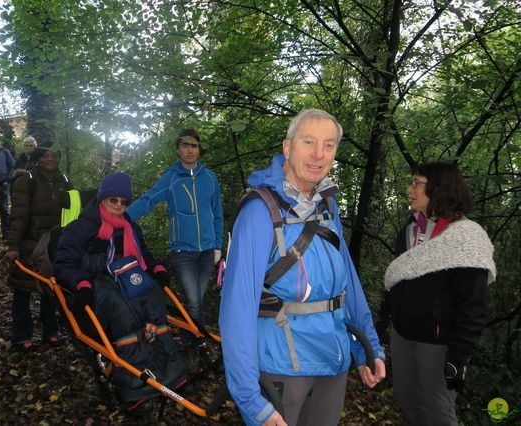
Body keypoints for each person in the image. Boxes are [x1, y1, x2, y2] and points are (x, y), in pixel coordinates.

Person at [219, 109, 386, 426]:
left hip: (333, 362)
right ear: (287, 147)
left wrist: (367, 347)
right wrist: (250, 399)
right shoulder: (259, 211)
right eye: (308, 141)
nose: (318, 154)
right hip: (283, 369)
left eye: (329, 144)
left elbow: (346, 279)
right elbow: (236, 309)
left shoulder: (327, 205)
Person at [53, 172, 186, 404]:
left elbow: (144, 256)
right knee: (124, 312)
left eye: (124, 202)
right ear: (103, 198)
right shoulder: (82, 227)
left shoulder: (130, 228)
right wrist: (81, 284)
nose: (118, 205)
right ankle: (135, 386)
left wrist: (156, 269)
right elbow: (63, 263)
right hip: (96, 281)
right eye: (114, 200)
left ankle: (169, 371)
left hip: (127, 276)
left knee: (153, 300)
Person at [383, 161, 496, 426]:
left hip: (437, 342)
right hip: (402, 335)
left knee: (438, 410)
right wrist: (385, 319)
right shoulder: (409, 231)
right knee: (406, 398)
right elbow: (397, 283)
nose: (409, 189)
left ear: (437, 189)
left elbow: (474, 304)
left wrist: (459, 356)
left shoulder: (466, 238)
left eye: (416, 183)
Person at [126, 129, 223, 341]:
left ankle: (191, 339)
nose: (190, 150)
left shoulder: (209, 177)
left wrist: (217, 245)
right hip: (182, 252)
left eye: (194, 146)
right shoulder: (171, 178)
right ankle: (197, 342)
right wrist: (124, 217)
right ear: (178, 149)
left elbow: (217, 214)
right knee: (194, 300)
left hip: (207, 251)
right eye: (185, 145)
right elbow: (149, 200)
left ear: (199, 150)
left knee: (197, 299)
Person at [5, 146, 72, 350]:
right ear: (37, 159)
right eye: (45, 156)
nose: (50, 159)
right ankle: (21, 336)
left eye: (55, 155)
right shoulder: (26, 181)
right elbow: (19, 215)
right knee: (23, 290)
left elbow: (72, 214)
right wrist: (13, 245)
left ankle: (50, 332)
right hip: (29, 244)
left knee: (50, 289)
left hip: (54, 245)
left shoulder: (65, 181)